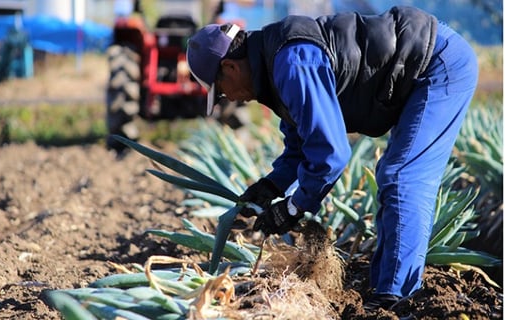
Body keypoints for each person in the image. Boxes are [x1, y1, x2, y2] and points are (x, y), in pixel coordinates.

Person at [186, 6, 478, 310]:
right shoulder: (274, 67)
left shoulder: (291, 61)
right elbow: (301, 146)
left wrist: (294, 207)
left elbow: (331, 153)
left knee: (402, 177)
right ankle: (385, 289)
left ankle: (396, 300)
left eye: (219, 91)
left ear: (231, 67)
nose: (228, 99)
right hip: (421, 61)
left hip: (437, 64)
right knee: (395, 177)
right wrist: (272, 185)